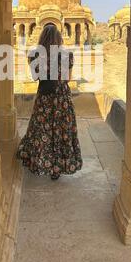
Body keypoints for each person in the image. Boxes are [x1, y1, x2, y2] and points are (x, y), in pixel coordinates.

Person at [17, 25, 83, 180]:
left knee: (42, 131)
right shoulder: (67, 55)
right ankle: (57, 169)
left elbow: (35, 77)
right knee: (61, 131)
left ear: (42, 38)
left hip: (45, 98)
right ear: (59, 38)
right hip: (61, 99)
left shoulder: (34, 55)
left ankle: (39, 163)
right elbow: (67, 78)